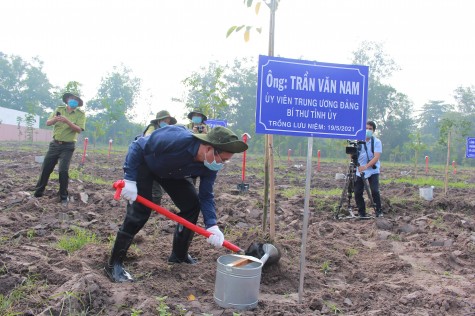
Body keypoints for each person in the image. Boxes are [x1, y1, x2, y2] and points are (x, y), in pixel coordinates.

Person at [105, 125, 248, 283]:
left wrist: (212, 225)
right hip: (145, 165)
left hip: (171, 174)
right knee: (139, 213)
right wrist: (130, 179)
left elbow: (206, 195)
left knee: (192, 205)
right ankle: (114, 265)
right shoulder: (177, 139)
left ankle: (179, 256)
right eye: (224, 159)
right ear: (209, 149)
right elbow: (138, 145)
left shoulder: (209, 167)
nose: (223, 164)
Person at [33, 93, 86, 205]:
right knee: (46, 168)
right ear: (67, 100)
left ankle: (63, 196)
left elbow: (79, 129)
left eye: (76, 100)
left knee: (63, 170)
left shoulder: (80, 114)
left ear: (78, 104)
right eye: (72, 99)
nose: (73, 101)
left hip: (68, 146)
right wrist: (56, 119)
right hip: (55, 144)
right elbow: (48, 123)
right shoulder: (59, 109)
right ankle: (38, 193)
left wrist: (67, 121)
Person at [140, 110, 177, 205]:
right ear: (159, 121)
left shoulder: (168, 132)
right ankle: (151, 209)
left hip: (160, 165)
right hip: (147, 163)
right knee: (156, 193)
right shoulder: (153, 127)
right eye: (165, 120)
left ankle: (152, 208)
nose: (167, 123)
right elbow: (147, 137)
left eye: (168, 121)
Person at [354, 120, 383, 218]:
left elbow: (376, 157)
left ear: (373, 131)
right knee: (357, 192)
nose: (368, 130)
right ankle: (361, 212)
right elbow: (352, 155)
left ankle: (378, 211)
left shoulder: (377, 142)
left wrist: (366, 166)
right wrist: (358, 166)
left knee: (374, 190)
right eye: (366, 128)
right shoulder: (357, 141)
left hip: (372, 169)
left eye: (370, 129)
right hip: (359, 169)